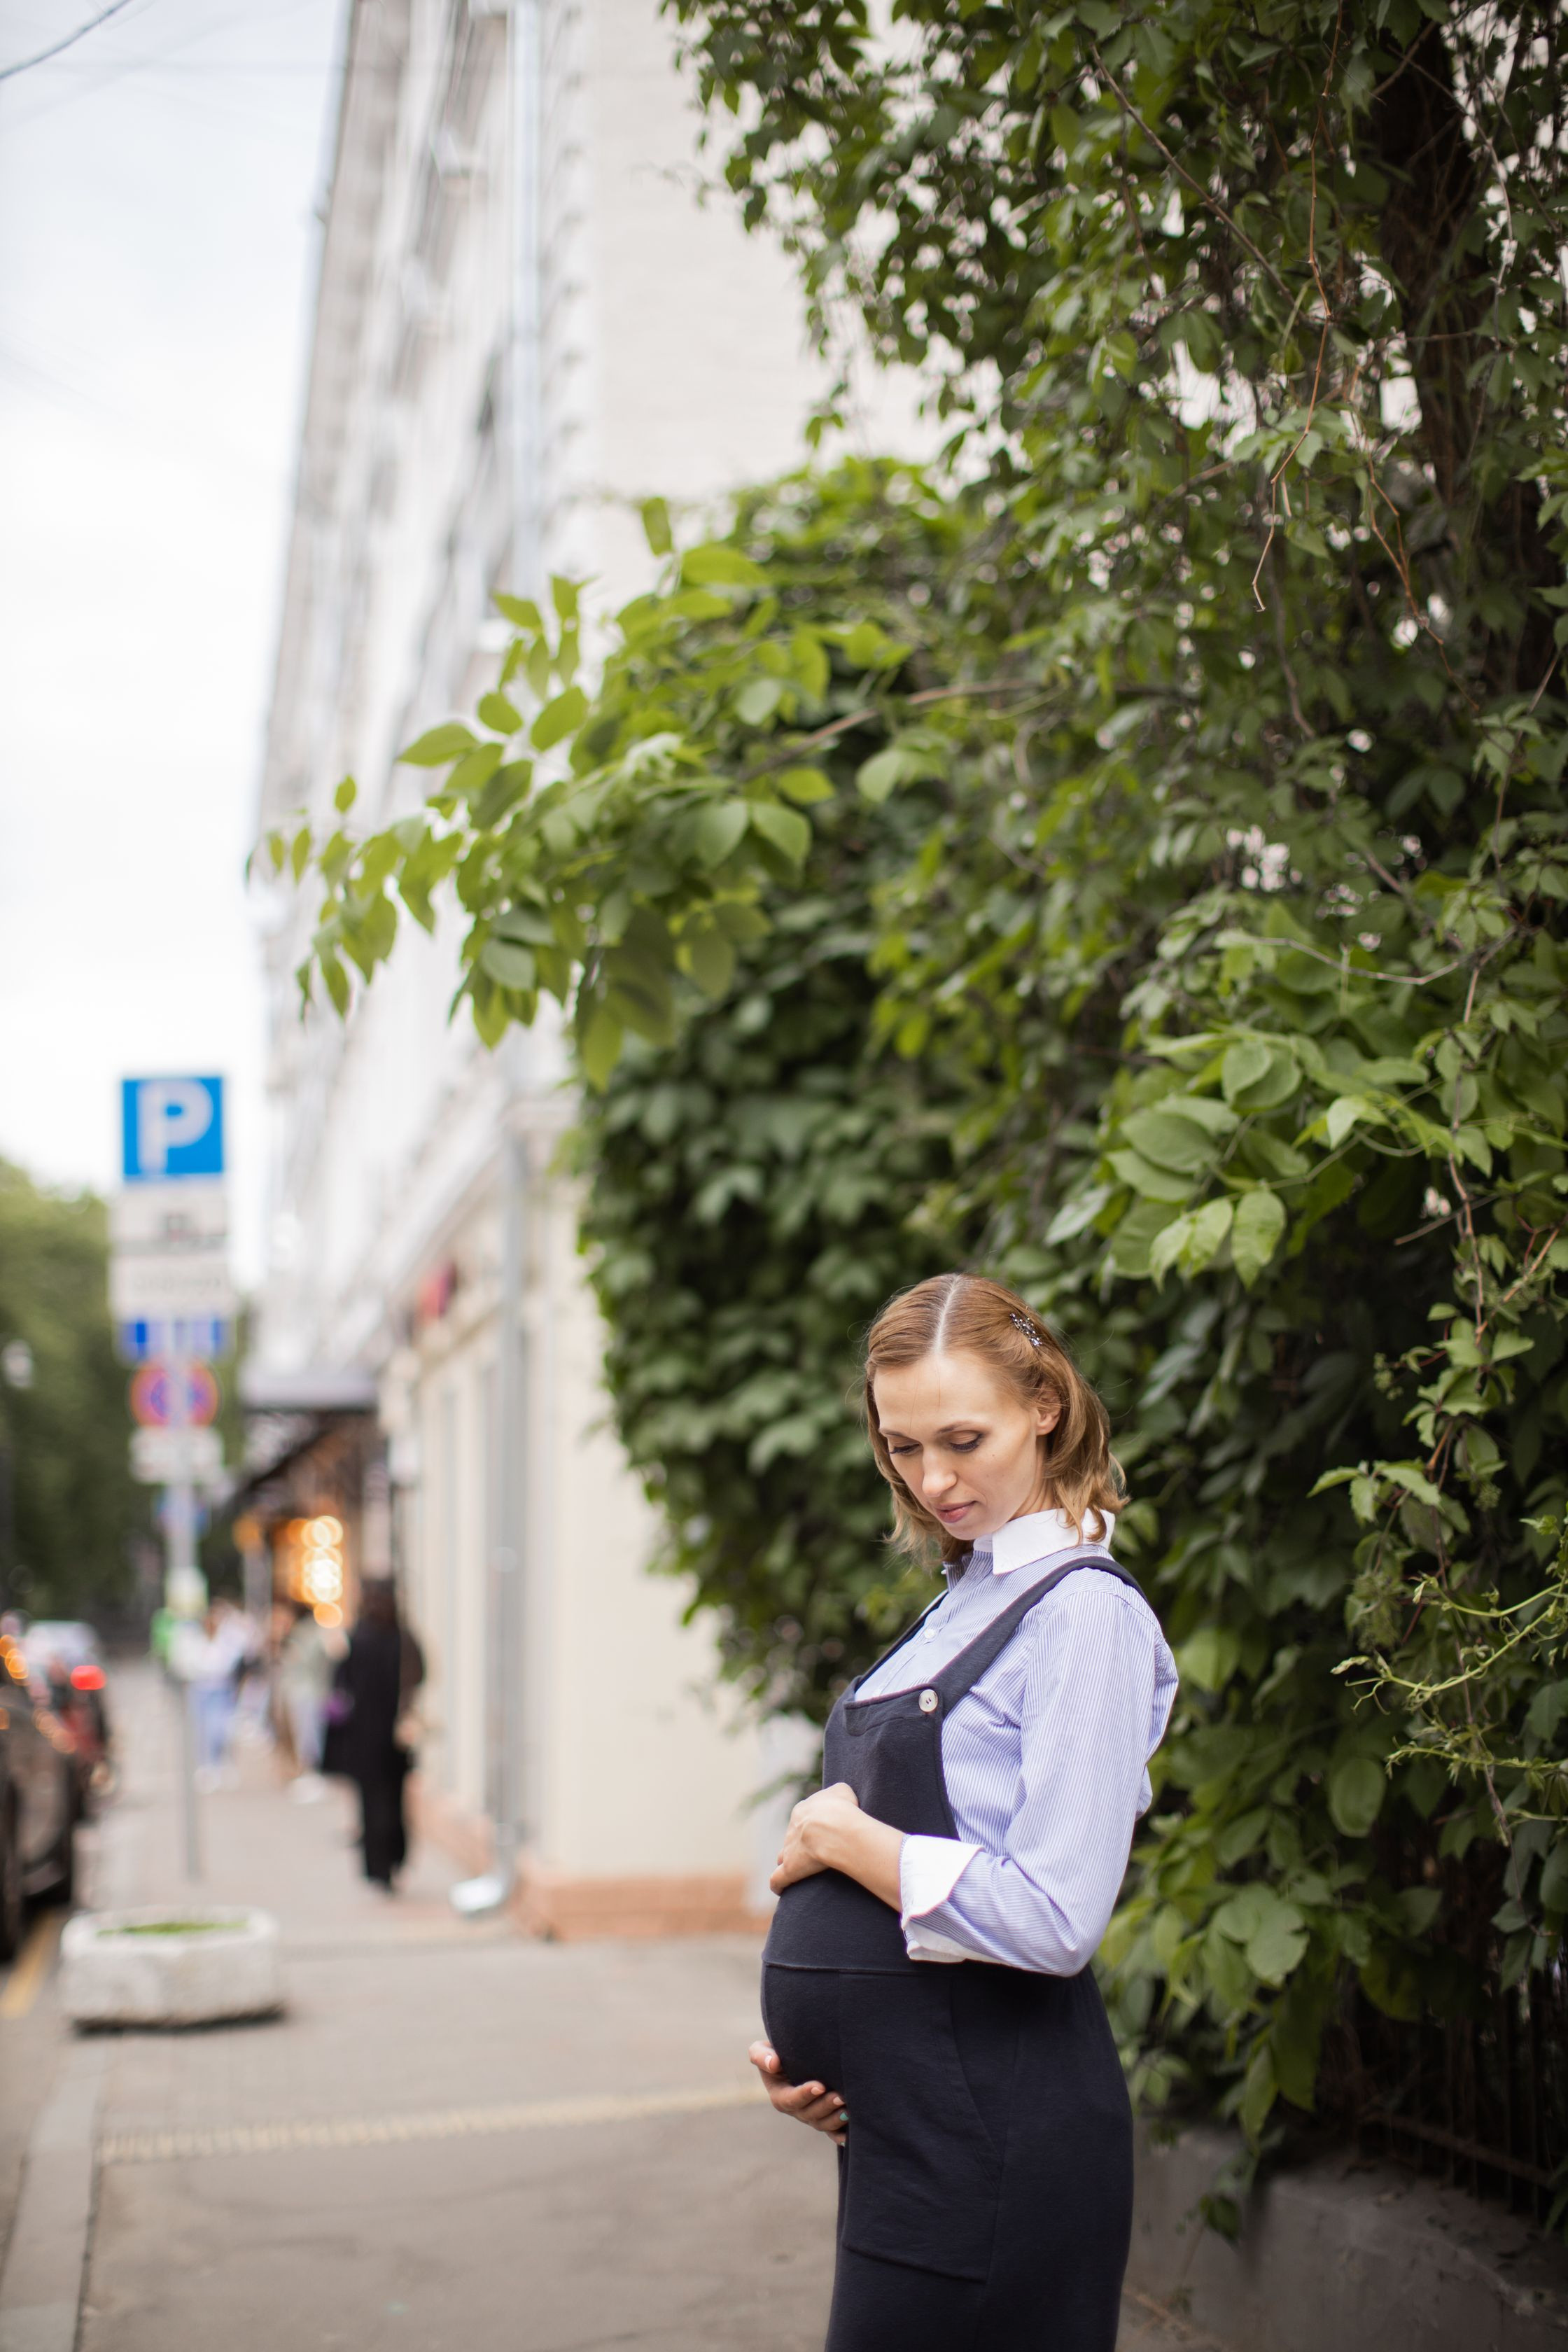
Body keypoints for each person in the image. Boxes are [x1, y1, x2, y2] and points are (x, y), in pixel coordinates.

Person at [751, 1273, 1178, 2352]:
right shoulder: (965, 1598)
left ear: (1046, 1405)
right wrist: (829, 2063)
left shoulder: (1083, 1616)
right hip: (905, 2128)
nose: (932, 1479)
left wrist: (850, 1839)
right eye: (902, 1446)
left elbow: (1056, 1916)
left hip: (998, 2137)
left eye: (963, 1439)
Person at [324, 1581, 424, 1889]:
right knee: (391, 1800)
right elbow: (420, 1674)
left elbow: (341, 1683)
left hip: (369, 1737)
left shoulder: (361, 1638)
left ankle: (379, 1866)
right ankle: (392, 1859)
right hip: (389, 1737)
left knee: (374, 1801)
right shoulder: (399, 1638)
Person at [277, 1600, 335, 1800]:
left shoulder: (309, 1636)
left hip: (308, 1692)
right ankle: (307, 1772)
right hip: (303, 1692)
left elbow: (317, 1665)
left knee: (308, 1735)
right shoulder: (303, 1635)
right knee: (304, 1734)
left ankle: (312, 1773)